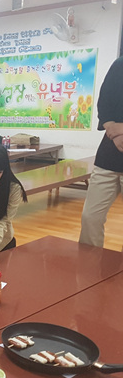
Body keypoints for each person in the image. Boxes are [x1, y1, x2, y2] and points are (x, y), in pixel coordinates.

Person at [79, 56, 123, 249]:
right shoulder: (120, 65)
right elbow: (104, 104)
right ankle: (89, 261)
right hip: (108, 157)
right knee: (90, 217)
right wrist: (114, 131)